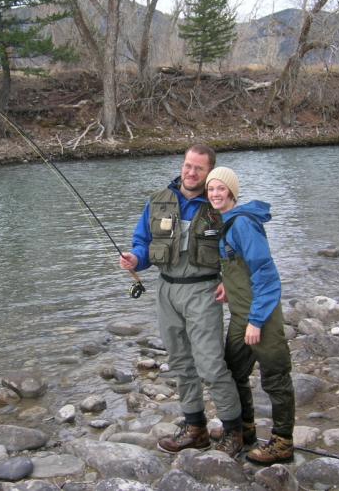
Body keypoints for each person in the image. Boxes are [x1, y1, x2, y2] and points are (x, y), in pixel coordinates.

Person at [119, 145, 243, 457]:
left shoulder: (219, 203)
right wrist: (135, 258)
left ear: (209, 171)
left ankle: (233, 431)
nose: (191, 172)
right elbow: (144, 243)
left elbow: (238, 250)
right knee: (180, 363)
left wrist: (230, 281)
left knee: (211, 365)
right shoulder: (159, 200)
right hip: (166, 291)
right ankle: (195, 429)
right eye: (188, 165)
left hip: (203, 291)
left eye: (199, 169)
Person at [205, 166, 295, 465]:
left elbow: (266, 274)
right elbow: (239, 265)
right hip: (241, 315)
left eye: (221, 189)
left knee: (275, 377)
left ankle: (282, 442)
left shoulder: (243, 223)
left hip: (262, 316)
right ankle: (245, 430)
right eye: (211, 189)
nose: (215, 194)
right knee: (233, 370)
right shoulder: (224, 222)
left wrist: (256, 321)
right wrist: (227, 284)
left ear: (232, 192)